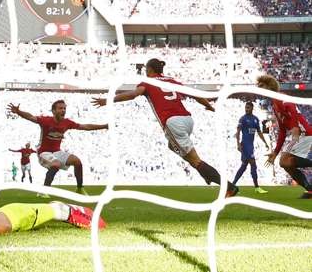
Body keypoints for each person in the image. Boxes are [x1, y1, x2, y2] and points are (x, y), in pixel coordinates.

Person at [93, 58, 239, 197]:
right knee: (172, 146)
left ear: (150, 69)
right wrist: (209, 106)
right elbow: (194, 94)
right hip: (188, 120)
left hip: (172, 122)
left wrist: (108, 100)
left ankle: (227, 186)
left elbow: (133, 94)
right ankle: (205, 172)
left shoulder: (148, 82)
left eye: (145, 69)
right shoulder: (172, 81)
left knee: (196, 160)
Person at [7, 100, 108, 196]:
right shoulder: (46, 120)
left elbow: (85, 127)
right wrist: (19, 112)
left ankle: (80, 189)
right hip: (44, 152)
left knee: (77, 161)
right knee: (56, 164)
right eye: (60, 108)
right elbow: (31, 117)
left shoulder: (67, 122)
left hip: (56, 151)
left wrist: (104, 126)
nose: (63, 110)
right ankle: (43, 191)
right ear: (53, 111)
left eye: (64, 108)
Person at [257, 75, 312, 199]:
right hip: (300, 133)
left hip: (304, 133)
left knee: (285, 162)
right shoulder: (274, 104)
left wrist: (294, 129)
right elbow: (282, 131)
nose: (259, 89)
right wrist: (275, 152)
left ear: (269, 86)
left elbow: (292, 109)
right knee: (284, 163)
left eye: (261, 86)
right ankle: (310, 189)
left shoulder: (282, 98)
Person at [232, 102, 269, 193]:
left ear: (252, 108)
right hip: (245, 145)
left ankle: (232, 185)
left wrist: (265, 143)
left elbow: (259, 132)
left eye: (248, 107)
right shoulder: (243, 119)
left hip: (250, 146)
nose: (246, 109)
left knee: (243, 166)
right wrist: (238, 144)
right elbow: (238, 132)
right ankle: (257, 187)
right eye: (246, 107)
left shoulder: (255, 119)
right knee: (253, 164)